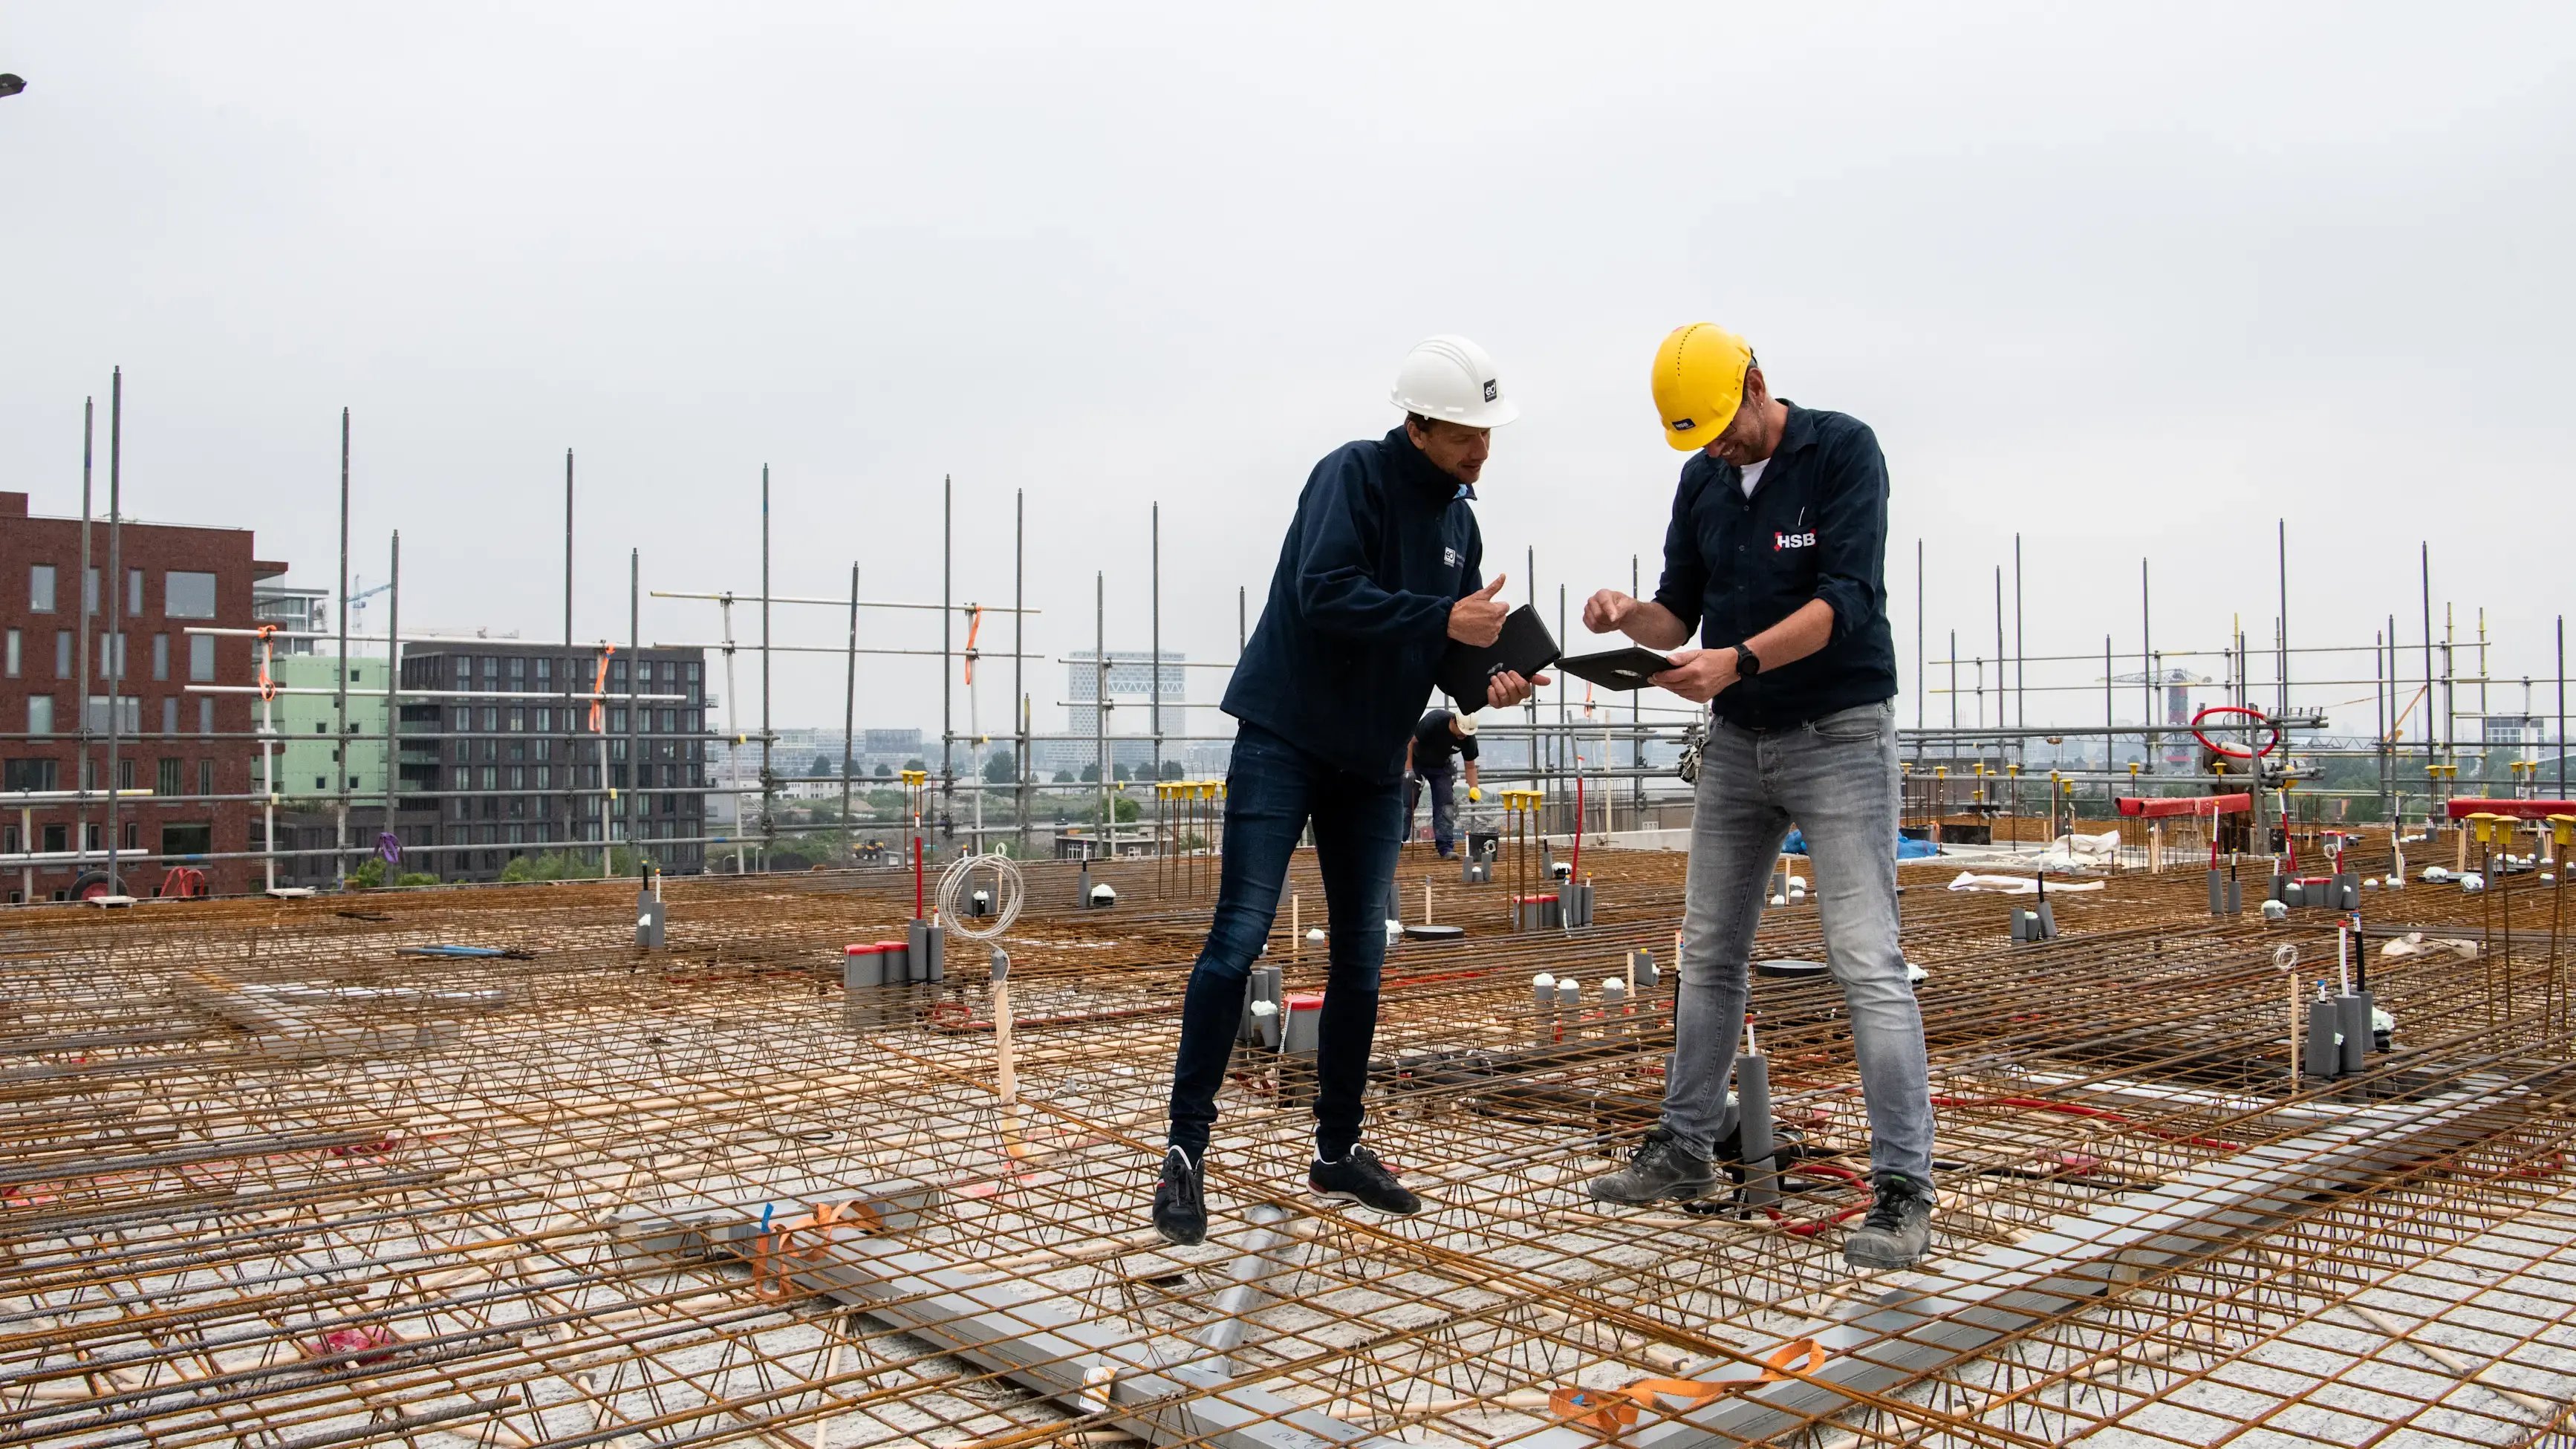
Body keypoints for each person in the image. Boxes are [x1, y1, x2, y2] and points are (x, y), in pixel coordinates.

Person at [1154, 336, 1546, 1246]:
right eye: (1466, 434)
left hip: (1373, 758)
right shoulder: (1352, 476)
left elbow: (1440, 650)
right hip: (1287, 736)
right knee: (1239, 936)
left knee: (1362, 952)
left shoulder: (1460, 525)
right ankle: (1184, 1154)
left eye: (1489, 433)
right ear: (1419, 427)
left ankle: (1337, 1148)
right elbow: (1325, 592)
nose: (1482, 449)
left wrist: (1489, 680)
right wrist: (1443, 616)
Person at [1580, 323, 1936, 1271]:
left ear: (1756, 384)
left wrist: (1735, 660)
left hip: (1839, 735)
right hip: (1739, 741)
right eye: (1699, 440)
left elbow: (1846, 600)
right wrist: (1630, 616)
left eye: (1724, 432)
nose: (1719, 451)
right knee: (1707, 949)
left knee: (1866, 958)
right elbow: (1677, 613)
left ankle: (1904, 1188)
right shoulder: (1702, 478)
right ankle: (1685, 1146)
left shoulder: (1842, 450)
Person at [1405, 709, 1481, 857]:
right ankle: (1397, 842)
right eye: (1461, 731)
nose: (1463, 735)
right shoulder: (1434, 721)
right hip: (1417, 761)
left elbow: (1470, 766)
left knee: (1445, 805)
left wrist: (1474, 789)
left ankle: (1446, 848)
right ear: (1453, 721)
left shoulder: (1468, 738)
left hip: (1441, 766)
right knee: (1407, 801)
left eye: (1466, 733)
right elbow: (1410, 742)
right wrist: (1408, 770)